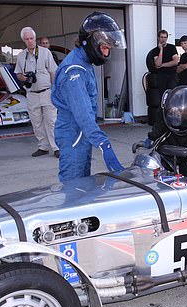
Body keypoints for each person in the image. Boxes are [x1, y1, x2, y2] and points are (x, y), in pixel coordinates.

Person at [52, 12, 125, 182]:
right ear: (92, 41)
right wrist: (103, 143)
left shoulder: (84, 63)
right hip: (73, 133)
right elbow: (82, 114)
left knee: (84, 186)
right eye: (105, 47)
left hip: (81, 134)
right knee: (73, 188)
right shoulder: (74, 71)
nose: (106, 54)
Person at [15, 26, 59, 158]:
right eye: (27, 39)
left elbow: (53, 71)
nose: (30, 41)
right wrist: (23, 78)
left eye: (31, 38)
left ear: (35, 38)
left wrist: (54, 90)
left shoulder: (45, 52)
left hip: (46, 91)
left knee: (51, 121)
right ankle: (43, 147)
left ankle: (57, 147)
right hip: (31, 93)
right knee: (36, 121)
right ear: (24, 40)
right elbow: (18, 74)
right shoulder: (21, 56)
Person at [145, 30, 179, 125]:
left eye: (165, 37)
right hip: (161, 77)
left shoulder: (172, 48)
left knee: (172, 97)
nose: (163, 39)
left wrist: (163, 65)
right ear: (158, 38)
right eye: (161, 37)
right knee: (161, 99)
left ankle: (172, 119)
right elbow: (157, 64)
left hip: (172, 76)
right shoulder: (155, 50)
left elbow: (175, 61)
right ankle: (161, 121)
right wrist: (161, 50)